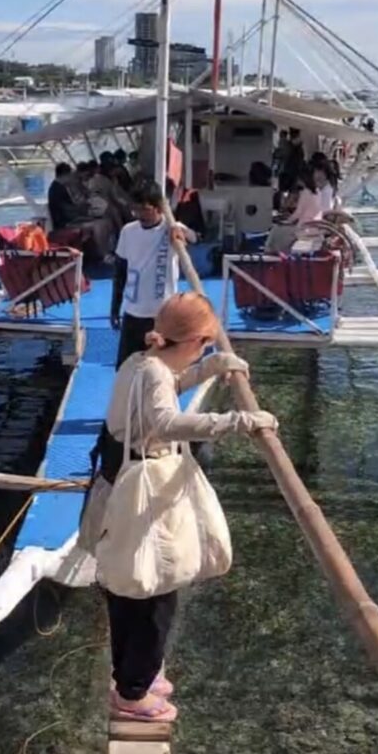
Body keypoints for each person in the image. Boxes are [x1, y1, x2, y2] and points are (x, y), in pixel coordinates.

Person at [89, 291, 279, 722]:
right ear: (194, 340)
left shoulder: (140, 362)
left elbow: (166, 388)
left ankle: (134, 673)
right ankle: (132, 695)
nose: (206, 350)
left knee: (129, 589)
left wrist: (213, 366)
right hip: (143, 491)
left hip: (119, 479)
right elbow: (165, 421)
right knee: (157, 592)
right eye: (207, 345)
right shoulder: (154, 373)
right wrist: (239, 421)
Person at [111, 181, 196, 369]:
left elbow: (195, 238)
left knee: (162, 370)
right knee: (125, 369)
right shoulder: (128, 231)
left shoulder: (171, 228)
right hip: (134, 312)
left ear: (158, 208)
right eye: (135, 209)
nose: (139, 215)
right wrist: (114, 308)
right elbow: (120, 271)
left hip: (162, 314)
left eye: (144, 209)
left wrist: (182, 233)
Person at [265, 165, 322, 253]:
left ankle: (273, 251)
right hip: (314, 226)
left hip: (303, 226)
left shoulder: (305, 193)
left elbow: (298, 213)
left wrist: (287, 221)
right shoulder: (318, 192)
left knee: (276, 230)